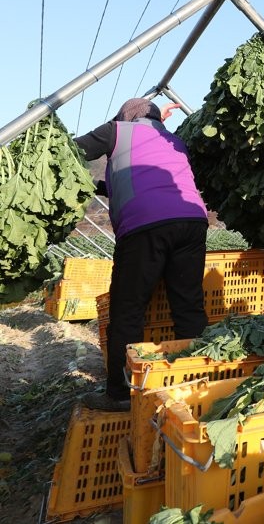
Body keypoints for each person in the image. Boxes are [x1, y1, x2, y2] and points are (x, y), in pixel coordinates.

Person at [74, 98, 210, 411]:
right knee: (188, 306)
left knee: (128, 310)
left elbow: (68, 154)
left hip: (145, 227)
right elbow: (141, 179)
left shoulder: (116, 132)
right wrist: (97, 185)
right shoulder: (173, 141)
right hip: (191, 222)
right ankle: (198, 386)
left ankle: (121, 394)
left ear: (124, 116)